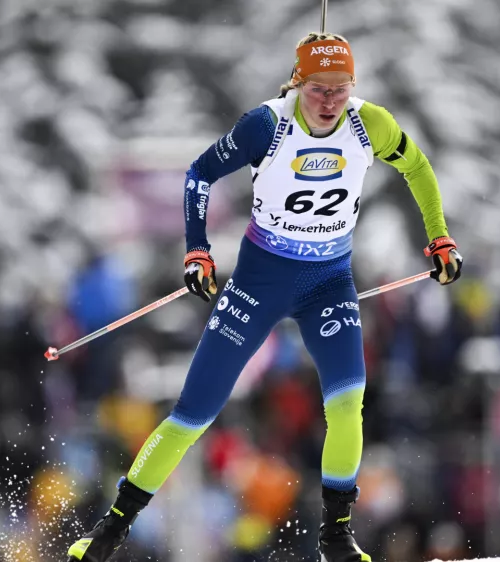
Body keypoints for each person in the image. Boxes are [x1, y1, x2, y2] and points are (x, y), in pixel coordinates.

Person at [67, 31, 462, 562]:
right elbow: (199, 174)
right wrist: (197, 251)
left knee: (348, 406)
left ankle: (337, 537)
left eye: (340, 88)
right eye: (318, 89)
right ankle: (110, 531)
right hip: (260, 280)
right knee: (193, 413)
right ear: (298, 83)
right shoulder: (267, 125)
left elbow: (416, 167)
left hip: (329, 283)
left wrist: (438, 235)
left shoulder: (371, 124)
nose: (329, 101)